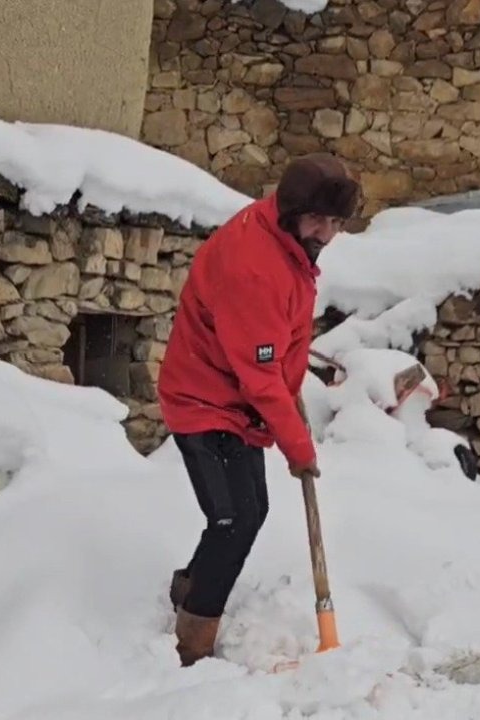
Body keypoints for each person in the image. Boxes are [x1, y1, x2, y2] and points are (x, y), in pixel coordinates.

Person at [156, 153, 361, 667]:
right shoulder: (255, 267)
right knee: (234, 519)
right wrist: (297, 444)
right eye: (318, 219)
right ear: (291, 210)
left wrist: (288, 388)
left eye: (336, 222)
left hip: (238, 400)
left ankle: (188, 589)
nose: (326, 233)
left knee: (248, 513)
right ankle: (191, 643)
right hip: (204, 400)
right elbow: (259, 373)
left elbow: (276, 349)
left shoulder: (287, 243)